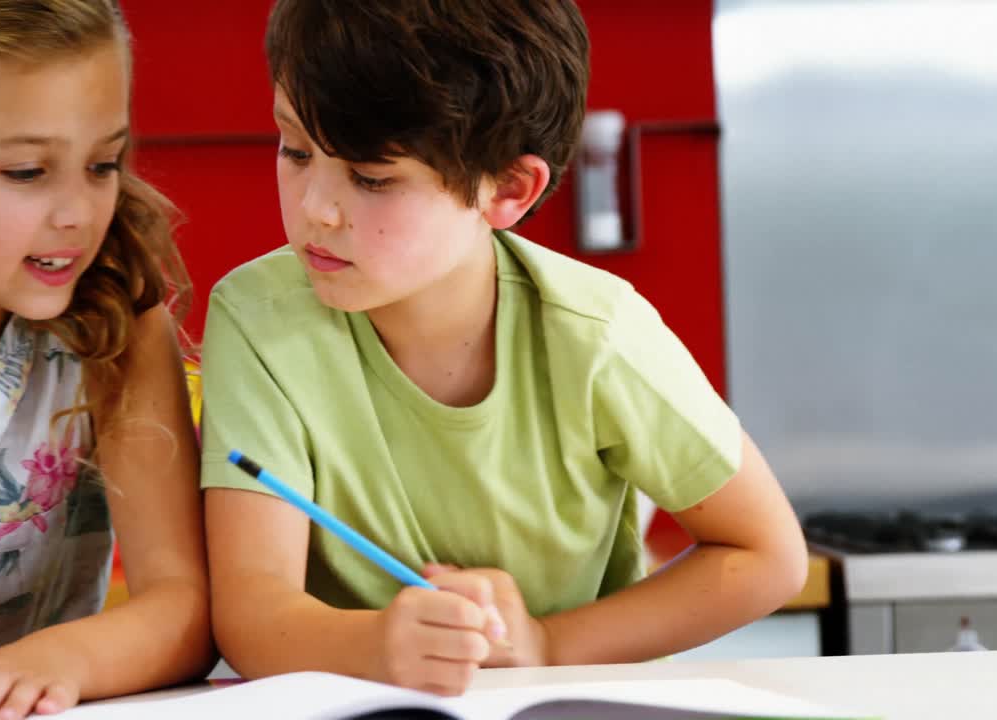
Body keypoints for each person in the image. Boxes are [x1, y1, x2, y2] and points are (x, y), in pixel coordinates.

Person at [201, 0, 808, 697]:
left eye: (372, 178)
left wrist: (550, 642)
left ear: (509, 190)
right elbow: (250, 613)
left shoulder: (595, 332)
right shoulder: (257, 320)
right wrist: (378, 644)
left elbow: (769, 555)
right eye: (295, 150)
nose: (315, 208)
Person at [0, 0, 212, 717]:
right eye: (28, 171)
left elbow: (183, 607)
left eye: (103, 164)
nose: (79, 213)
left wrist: (64, 659)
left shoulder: (120, 330)